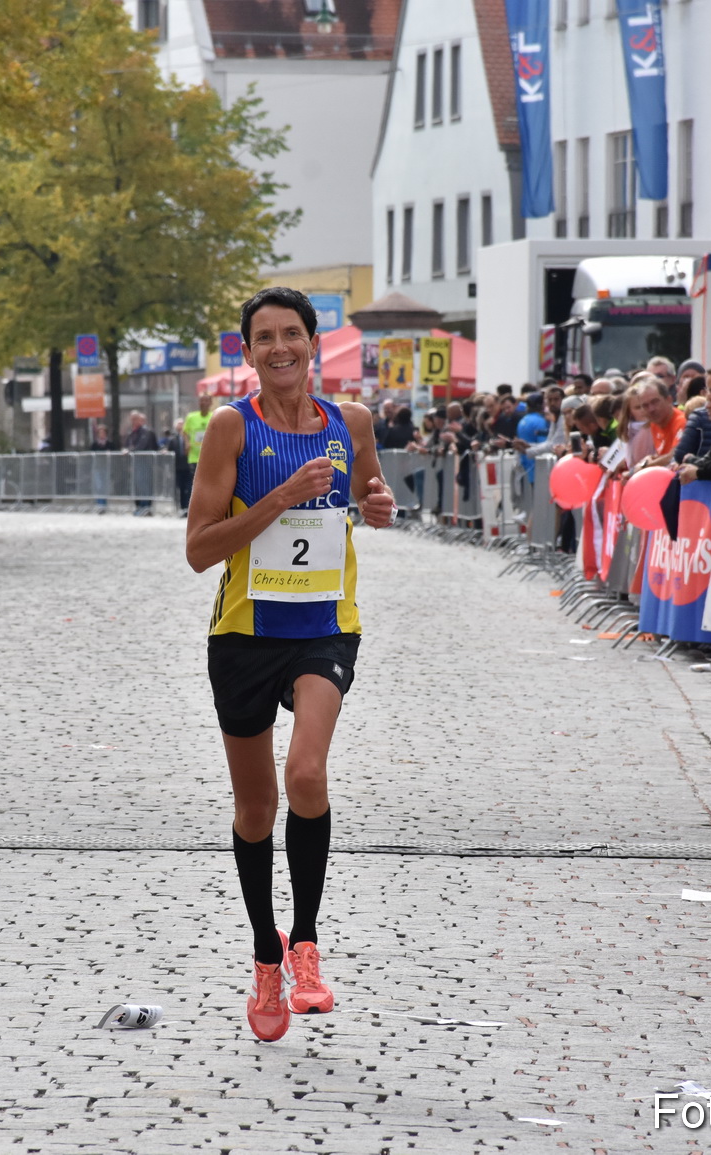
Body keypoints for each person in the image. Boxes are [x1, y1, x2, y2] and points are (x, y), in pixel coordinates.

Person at [185, 286, 396, 1043]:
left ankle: (306, 941)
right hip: (243, 634)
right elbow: (199, 549)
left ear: (314, 343)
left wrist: (378, 506)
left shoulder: (353, 423)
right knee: (256, 809)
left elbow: (372, 493)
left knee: (306, 772)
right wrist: (274, 499)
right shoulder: (228, 428)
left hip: (325, 630)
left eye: (292, 334)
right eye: (264, 337)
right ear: (249, 351)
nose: (280, 347)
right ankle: (264, 952)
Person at [181, 396, 213, 513]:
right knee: (194, 482)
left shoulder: (214, 416)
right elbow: (184, 432)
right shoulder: (191, 417)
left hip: (210, 457)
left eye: (205, 400)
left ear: (210, 402)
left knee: (209, 482)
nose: (203, 403)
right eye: (201, 400)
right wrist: (187, 443)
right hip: (194, 457)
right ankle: (193, 508)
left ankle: (208, 507)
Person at [124, 410, 159, 515]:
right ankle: (139, 506)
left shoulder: (146, 432)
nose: (133, 421)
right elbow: (128, 444)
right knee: (137, 485)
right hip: (136, 463)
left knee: (144, 484)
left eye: (135, 419)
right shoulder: (131, 432)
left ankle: (146, 506)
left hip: (145, 462)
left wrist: (130, 451)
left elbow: (141, 446)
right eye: (132, 419)